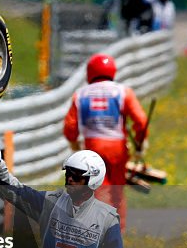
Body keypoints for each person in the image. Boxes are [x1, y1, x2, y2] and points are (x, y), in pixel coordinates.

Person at [63, 53, 147, 226]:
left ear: (90, 72)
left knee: (97, 188)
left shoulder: (80, 94)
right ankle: (117, 230)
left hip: (92, 148)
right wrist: (140, 142)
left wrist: (73, 142)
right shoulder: (123, 91)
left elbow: (70, 126)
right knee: (117, 190)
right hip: (118, 148)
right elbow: (141, 120)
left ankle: (96, 230)